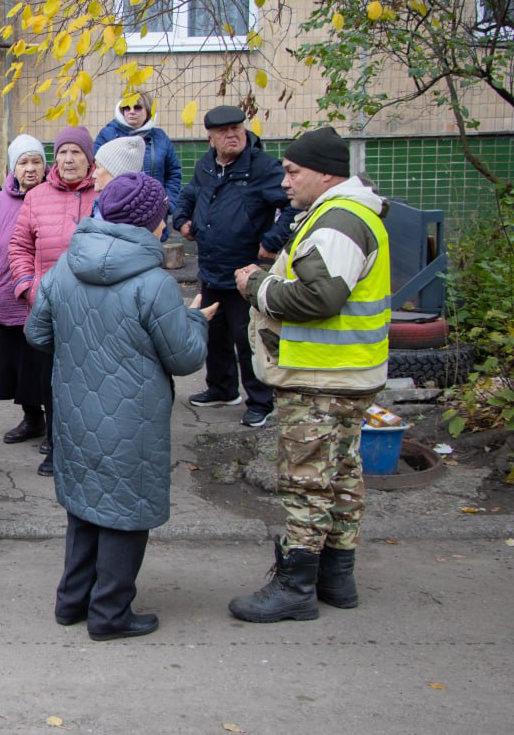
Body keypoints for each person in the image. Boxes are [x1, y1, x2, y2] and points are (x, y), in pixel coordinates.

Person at [26, 172, 213, 641]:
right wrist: (195, 318)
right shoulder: (154, 284)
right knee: (126, 512)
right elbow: (185, 356)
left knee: (86, 503)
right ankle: (110, 613)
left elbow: (37, 334)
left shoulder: (67, 265)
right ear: (152, 223)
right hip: (133, 418)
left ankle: (72, 602)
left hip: (73, 408)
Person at [228, 127, 391, 623]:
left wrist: (258, 286)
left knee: (305, 481)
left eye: (294, 172)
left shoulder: (337, 222)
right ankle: (336, 579)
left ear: (326, 173)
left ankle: (296, 587)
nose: (285, 182)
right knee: (341, 476)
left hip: (321, 378)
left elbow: (320, 299)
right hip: (347, 374)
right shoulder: (350, 215)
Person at [173, 106, 299, 428]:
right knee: (213, 333)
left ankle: (260, 401)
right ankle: (221, 389)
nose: (233, 135)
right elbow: (189, 194)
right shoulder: (206, 165)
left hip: (246, 271)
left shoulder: (262, 167)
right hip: (212, 267)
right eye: (224, 131)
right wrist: (182, 220)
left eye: (237, 128)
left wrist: (272, 241)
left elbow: (292, 206)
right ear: (211, 138)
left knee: (248, 338)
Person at [8, 126, 100, 476]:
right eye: (62, 152)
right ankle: (57, 447)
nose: (68, 159)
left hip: (93, 309)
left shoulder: (103, 193)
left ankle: (89, 447)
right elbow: (19, 247)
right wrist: (29, 288)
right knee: (50, 381)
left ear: (89, 158)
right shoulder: (37, 196)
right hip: (46, 308)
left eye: (76, 152)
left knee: (89, 382)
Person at [0, 134, 48, 446]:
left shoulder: (51, 196)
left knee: (43, 364)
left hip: (43, 297)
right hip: (8, 296)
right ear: (12, 167)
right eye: (23, 162)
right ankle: (32, 419)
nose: (30, 168)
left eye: (36, 162)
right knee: (19, 365)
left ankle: (55, 423)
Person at [94, 93, 183, 211]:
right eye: (127, 107)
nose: (131, 111)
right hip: (117, 212)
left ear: (148, 111)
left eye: (137, 107)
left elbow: (173, 173)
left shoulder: (160, 137)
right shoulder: (107, 135)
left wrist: (167, 204)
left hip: (154, 211)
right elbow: (95, 172)